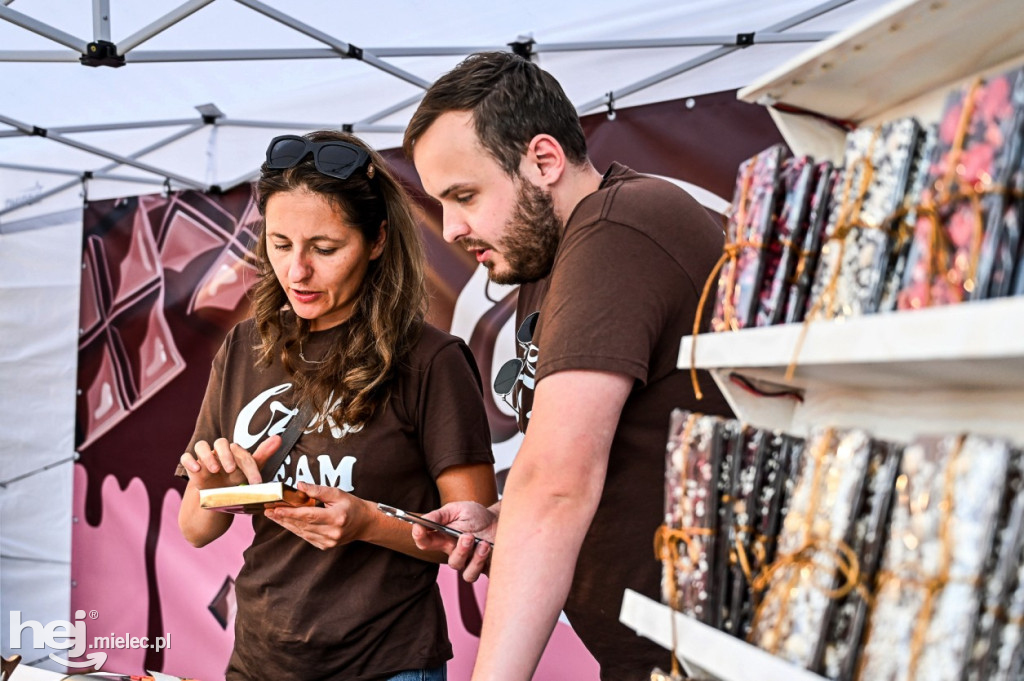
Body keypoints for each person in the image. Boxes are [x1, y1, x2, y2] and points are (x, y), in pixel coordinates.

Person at [403, 52, 733, 681]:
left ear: (544, 160)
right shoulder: (550, 254)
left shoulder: (619, 225)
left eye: (464, 195)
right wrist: (500, 520)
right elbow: (608, 451)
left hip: (706, 657)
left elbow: (558, 480)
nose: (450, 228)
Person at [176, 130, 498, 681]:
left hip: (388, 664)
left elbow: (475, 541)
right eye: (279, 244)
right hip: (260, 660)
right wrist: (216, 486)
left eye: (324, 249)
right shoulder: (245, 346)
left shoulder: (432, 360)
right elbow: (196, 528)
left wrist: (367, 523)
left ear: (376, 241)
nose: (297, 270)